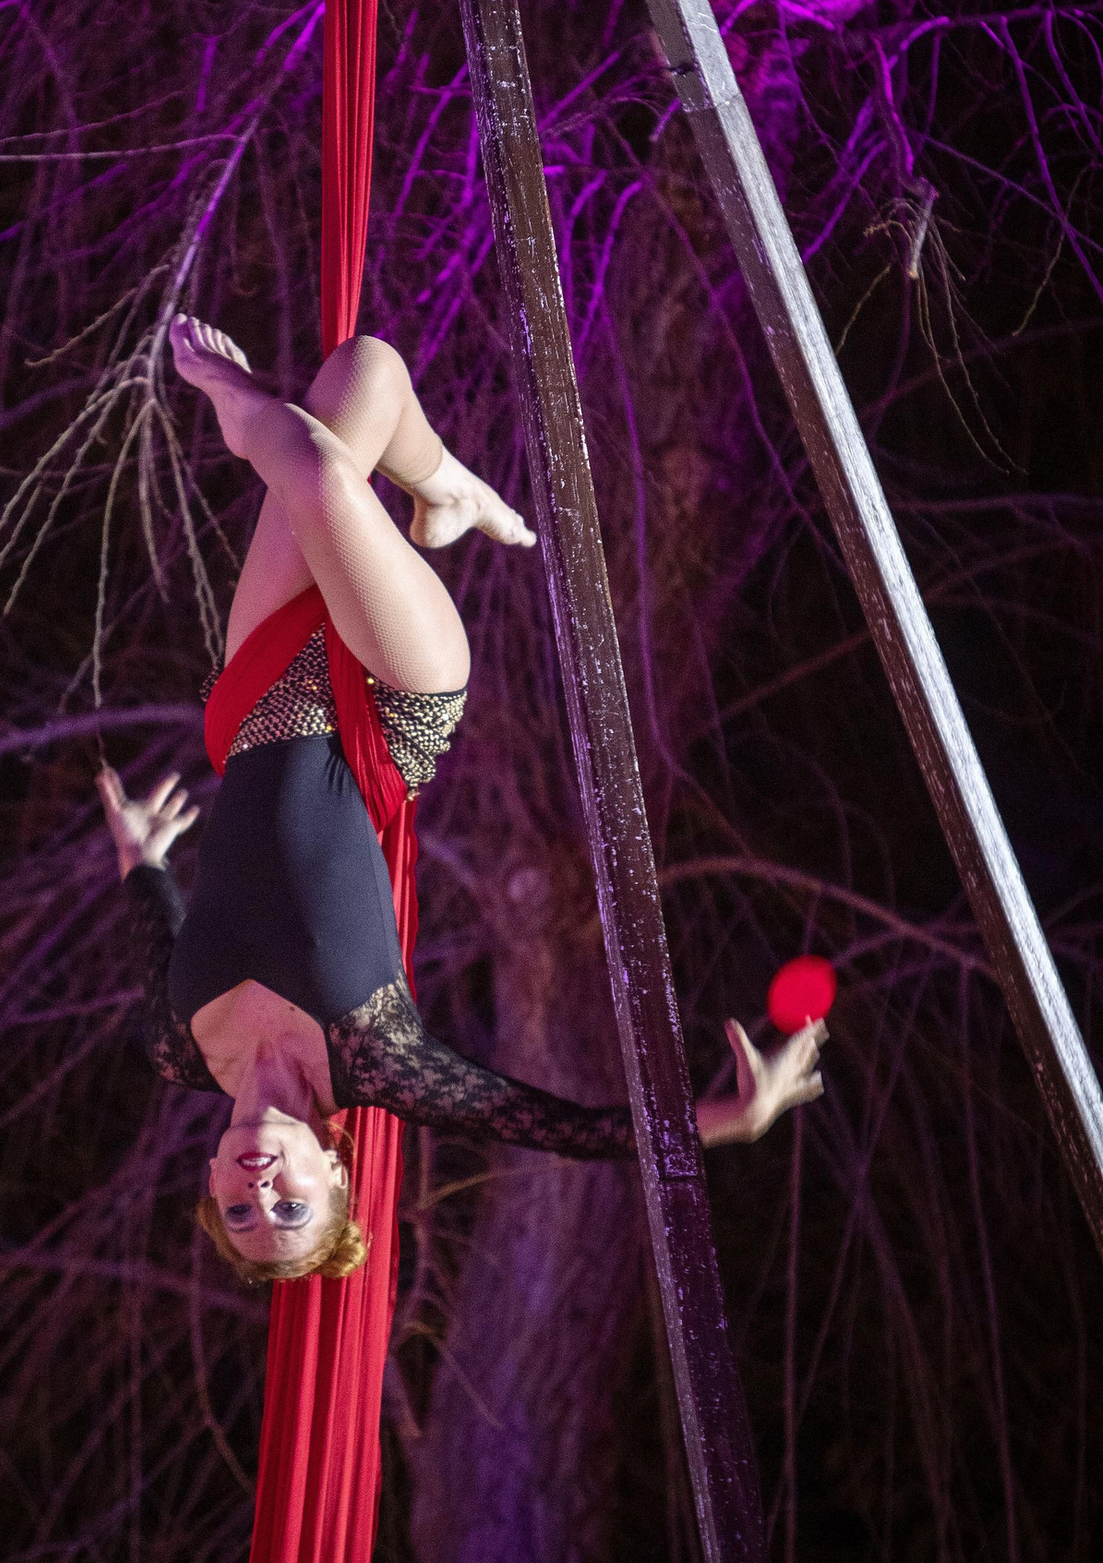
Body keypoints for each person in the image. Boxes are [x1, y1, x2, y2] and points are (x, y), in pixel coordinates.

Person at [98, 318, 826, 1285]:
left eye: (239, 1208)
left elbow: (159, 925)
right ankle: (239, 408)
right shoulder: (380, 1063)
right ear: (336, 1170)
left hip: (258, 694)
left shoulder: (174, 1043)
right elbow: (548, 1123)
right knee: (314, 470)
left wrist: (140, 855)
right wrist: (717, 1123)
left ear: (209, 1176)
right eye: (290, 1205)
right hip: (389, 712)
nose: (260, 1183)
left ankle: (438, 488)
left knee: (364, 374)